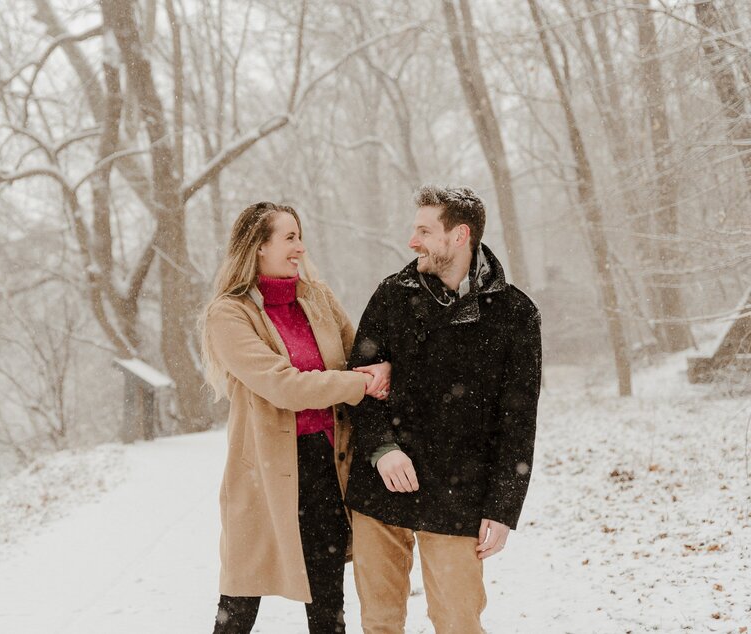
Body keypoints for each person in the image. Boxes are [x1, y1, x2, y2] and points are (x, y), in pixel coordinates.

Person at [345, 185, 542, 634]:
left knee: (458, 621)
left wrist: (504, 505)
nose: (412, 241)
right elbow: (359, 381)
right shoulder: (392, 296)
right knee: (379, 622)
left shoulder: (515, 314)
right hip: (382, 484)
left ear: (460, 235)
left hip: (460, 490)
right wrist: (382, 449)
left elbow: (518, 420)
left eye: (423, 230)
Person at [200, 201, 391, 634]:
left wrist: (375, 372)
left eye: (299, 236)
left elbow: (358, 355)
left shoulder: (318, 299)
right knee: (239, 604)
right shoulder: (230, 314)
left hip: (327, 467)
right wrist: (359, 385)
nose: (300, 248)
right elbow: (284, 386)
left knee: (328, 603)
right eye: (289, 238)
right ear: (258, 247)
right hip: (264, 476)